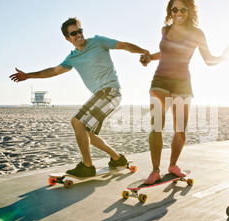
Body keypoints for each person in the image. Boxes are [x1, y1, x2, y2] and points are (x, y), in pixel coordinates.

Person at [9, 17, 150, 178]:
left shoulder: (98, 41)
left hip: (111, 91)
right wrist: (28, 75)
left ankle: (87, 166)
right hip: (102, 95)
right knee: (87, 133)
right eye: (74, 33)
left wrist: (143, 51)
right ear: (68, 38)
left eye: (80, 31)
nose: (79, 35)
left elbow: (123, 45)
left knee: (76, 122)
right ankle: (118, 159)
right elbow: (53, 71)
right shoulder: (72, 58)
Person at [140, 0, 229, 184]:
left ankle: (173, 165)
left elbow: (207, 60)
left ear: (189, 11)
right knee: (156, 126)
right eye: (175, 9)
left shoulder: (197, 33)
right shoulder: (165, 30)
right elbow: (166, 52)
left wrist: (223, 56)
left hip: (182, 83)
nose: (179, 12)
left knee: (180, 130)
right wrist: (150, 57)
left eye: (183, 9)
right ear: (170, 12)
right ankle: (155, 170)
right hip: (160, 81)